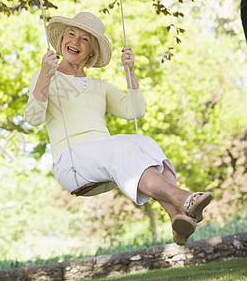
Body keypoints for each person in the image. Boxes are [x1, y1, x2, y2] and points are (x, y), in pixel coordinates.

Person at [23, 12, 212, 246]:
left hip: (106, 159)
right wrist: (44, 75)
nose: (74, 41)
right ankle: (184, 198)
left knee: (146, 143)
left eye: (84, 39)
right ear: (61, 40)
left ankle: (177, 216)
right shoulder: (45, 77)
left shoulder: (99, 85)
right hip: (71, 162)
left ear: (91, 51)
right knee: (120, 146)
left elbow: (134, 111)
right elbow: (32, 118)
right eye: (70, 34)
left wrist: (130, 71)